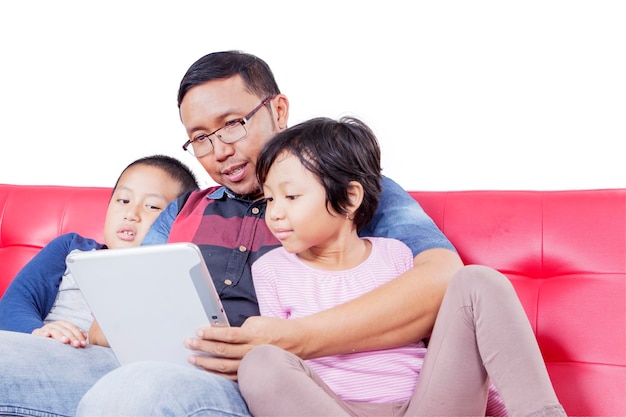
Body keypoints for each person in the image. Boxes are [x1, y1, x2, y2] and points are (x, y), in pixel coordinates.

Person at [0, 51, 546, 417]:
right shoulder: (183, 208)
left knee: (136, 393)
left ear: (277, 109)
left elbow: (439, 282)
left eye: (233, 124)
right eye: (200, 139)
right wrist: (74, 329)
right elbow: (109, 322)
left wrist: (287, 341)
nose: (220, 151)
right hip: (153, 358)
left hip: (258, 383)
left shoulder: (344, 192)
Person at [237, 116, 564, 416]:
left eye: (291, 197)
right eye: (268, 199)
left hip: (426, 407)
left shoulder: (396, 256)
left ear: (350, 198)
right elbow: (286, 362)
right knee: (261, 361)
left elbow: (451, 346)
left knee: (478, 279)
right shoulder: (270, 270)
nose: (275, 213)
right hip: (337, 409)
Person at [0, 154, 199, 348]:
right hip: (37, 346)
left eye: (152, 206)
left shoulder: (176, 274)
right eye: (123, 201)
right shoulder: (72, 248)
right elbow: (13, 304)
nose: (131, 214)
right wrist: (37, 331)